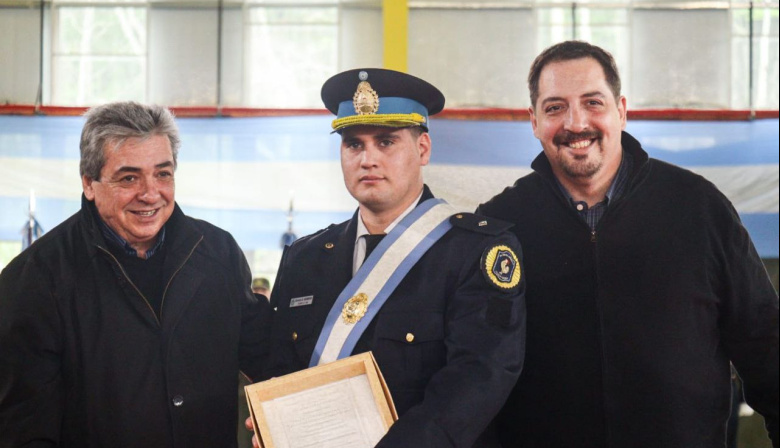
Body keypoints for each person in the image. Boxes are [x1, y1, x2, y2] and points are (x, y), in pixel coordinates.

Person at [477, 40, 779, 448]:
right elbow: (476, 371)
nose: (576, 122)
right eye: (555, 107)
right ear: (533, 121)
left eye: (593, 103)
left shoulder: (698, 206)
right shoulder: (500, 225)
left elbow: (764, 342)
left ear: (621, 110)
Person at [260, 68, 526, 447]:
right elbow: (283, 372)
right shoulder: (306, 257)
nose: (367, 159)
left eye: (385, 142)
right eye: (353, 144)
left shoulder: (475, 251)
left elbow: (480, 376)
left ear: (422, 150)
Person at [0, 102, 270, 448]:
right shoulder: (34, 279)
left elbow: (266, 355)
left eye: (163, 173)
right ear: (89, 183)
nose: (149, 193)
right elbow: (24, 430)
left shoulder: (220, 253)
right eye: (129, 177)